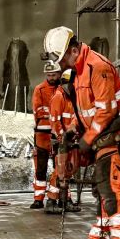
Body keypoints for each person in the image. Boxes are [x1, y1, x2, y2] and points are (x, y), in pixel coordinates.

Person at [42, 26, 120, 239]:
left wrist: (87, 139)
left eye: (61, 58)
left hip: (117, 131)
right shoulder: (78, 71)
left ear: (73, 50)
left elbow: (106, 111)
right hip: (104, 134)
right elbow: (86, 109)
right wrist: (75, 128)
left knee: (110, 186)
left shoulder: (98, 67)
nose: (60, 63)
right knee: (100, 187)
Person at [45, 69, 80, 215]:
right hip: (61, 141)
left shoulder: (70, 98)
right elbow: (54, 122)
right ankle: (52, 201)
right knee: (59, 171)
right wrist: (62, 138)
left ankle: (65, 200)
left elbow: (73, 118)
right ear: (67, 83)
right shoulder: (58, 97)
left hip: (68, 140)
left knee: (67, 170)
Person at [30, 59, 62, 209]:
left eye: (54, 74)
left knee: (61, 167)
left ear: (59, 73)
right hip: (43, 135)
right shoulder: (39, 89)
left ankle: (62, 196)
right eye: (49, 75)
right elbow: (37, 111)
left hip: (60, 134)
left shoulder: (63, 89)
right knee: (41, 168)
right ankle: (38, 198)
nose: (51, 77)